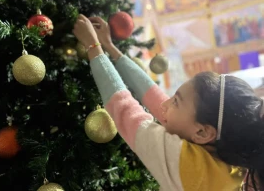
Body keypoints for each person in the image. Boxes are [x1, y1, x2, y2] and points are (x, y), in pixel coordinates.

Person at [72, 14, 264, 191]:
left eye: (176, 101)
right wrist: (110, 47)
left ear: (203, 132)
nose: (165, 105)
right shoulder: (226, 157)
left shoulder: (192, 168)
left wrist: (93, 47)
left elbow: (126, 110)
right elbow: (156, 98)